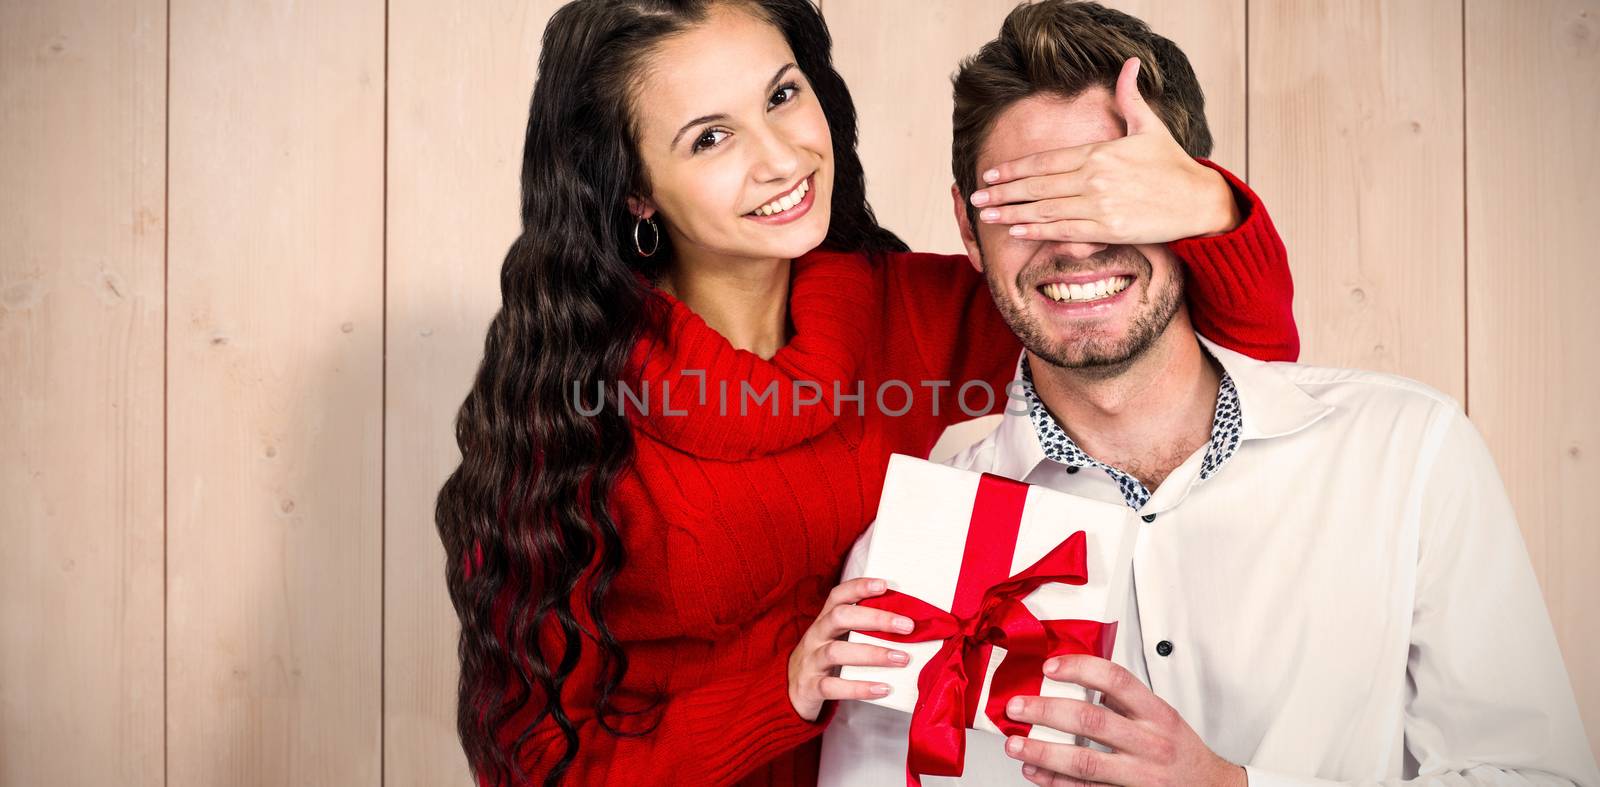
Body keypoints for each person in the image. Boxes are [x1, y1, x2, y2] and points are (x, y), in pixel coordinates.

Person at [434, 1, 1300, 785]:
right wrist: (782, 688)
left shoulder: (926, 313)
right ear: (633, 191)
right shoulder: (564, 412)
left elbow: (1232, 376)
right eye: (709, 137)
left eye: (781, 96)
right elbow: (534, 763)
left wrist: (1205, 201)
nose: (781, 157)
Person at [818, 3, 1600, 784]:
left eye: (1108, 194)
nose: (1074, 240)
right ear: (966, 226)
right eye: (1022, 204)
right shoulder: (914, 550)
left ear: (1188, 200)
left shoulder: (1406, 453)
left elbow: (1537, 775)